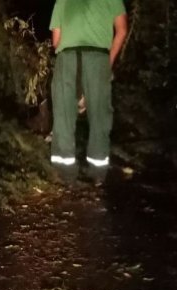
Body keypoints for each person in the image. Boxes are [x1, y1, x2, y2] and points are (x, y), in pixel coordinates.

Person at [49, 0, 128, 184]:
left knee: (63, 116)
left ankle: (64, 173)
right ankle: (98, 173)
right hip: (98, 58)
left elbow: (56, 41)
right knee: (100, 115)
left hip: (67, 59)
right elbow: (122, 30)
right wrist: (108, 62)